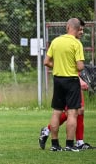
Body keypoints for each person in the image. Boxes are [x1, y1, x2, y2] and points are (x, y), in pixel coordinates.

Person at [39, 18, 93, 150]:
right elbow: (80, 67)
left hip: (58, 79)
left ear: (68, 26)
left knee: (56, 112)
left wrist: (60, 66)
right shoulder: (76, 43)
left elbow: (46, 62)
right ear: (76, 28)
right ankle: (69, 145)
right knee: (73, 113)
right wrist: (71, 67)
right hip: (71, 80)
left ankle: (55, 145)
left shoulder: (56, 41)